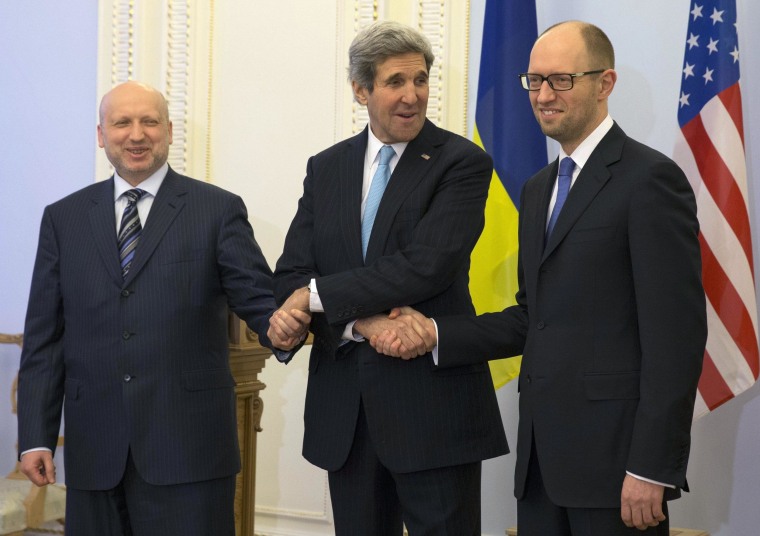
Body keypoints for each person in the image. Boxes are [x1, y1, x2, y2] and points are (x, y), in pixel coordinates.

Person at [372, 21, 707, 536]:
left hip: (618, 471)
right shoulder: (536, 189)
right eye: (534, 81)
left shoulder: (649, 179)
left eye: (560, 80)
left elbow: (676, 338)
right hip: (541, 469)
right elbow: (534, 318)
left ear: (605, 83)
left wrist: (651, 468)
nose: (544, 96)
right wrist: (436, 333)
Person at [17, 81, 308, 535]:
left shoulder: (216, 210)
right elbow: (44, 338)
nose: (136, 134)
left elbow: (259, 301)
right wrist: (35, 437)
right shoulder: (63, 218)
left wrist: (284, 327)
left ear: (169, 131)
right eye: (122, 123)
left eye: (149, 121)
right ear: (101, 135)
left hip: (189, 452)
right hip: (95, 452)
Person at [269, 20, 506, 536]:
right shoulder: (326, 168)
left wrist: (316, 298)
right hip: (348, 420)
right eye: (396, 81)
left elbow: (425, 266)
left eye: (420, 80)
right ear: (361, 90)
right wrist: (364, 325)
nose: (412, 96)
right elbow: (291, 272)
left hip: (433, 413)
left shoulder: (461, 163)